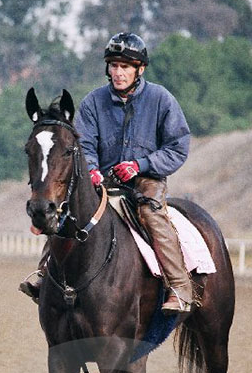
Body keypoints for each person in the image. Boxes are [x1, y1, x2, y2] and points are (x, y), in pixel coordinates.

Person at [21, 31, 193, 314]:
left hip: (146, 182)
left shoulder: (161, 99)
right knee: (68, 210)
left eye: (125, 66)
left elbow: (178, 147)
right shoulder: (92, 102)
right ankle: (44, 274)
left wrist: (141, 165)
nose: (118, 72)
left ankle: (179, 287)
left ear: (140, 69)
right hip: (102, 182)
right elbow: (83, 144)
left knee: (151, 213)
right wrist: (92, 171)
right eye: (113, 66)